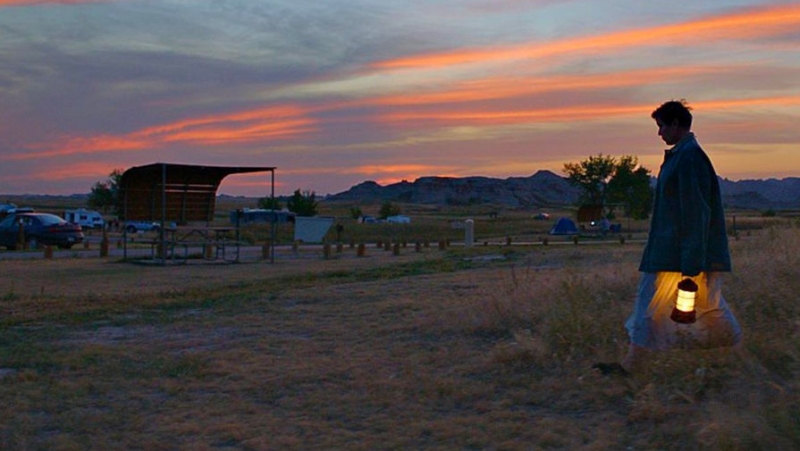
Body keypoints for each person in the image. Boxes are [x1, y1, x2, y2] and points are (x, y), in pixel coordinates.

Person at [595, 100, 742, 375]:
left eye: (661, 126)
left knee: (682, 305)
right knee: (681, 305)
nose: (659, 133)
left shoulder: (690, 158)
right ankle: (633, 364)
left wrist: (691, 262)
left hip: (678, 253)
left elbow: (696, 212)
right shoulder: (682, 156)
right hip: (670, 250)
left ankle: (734, 353)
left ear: (676, 124)